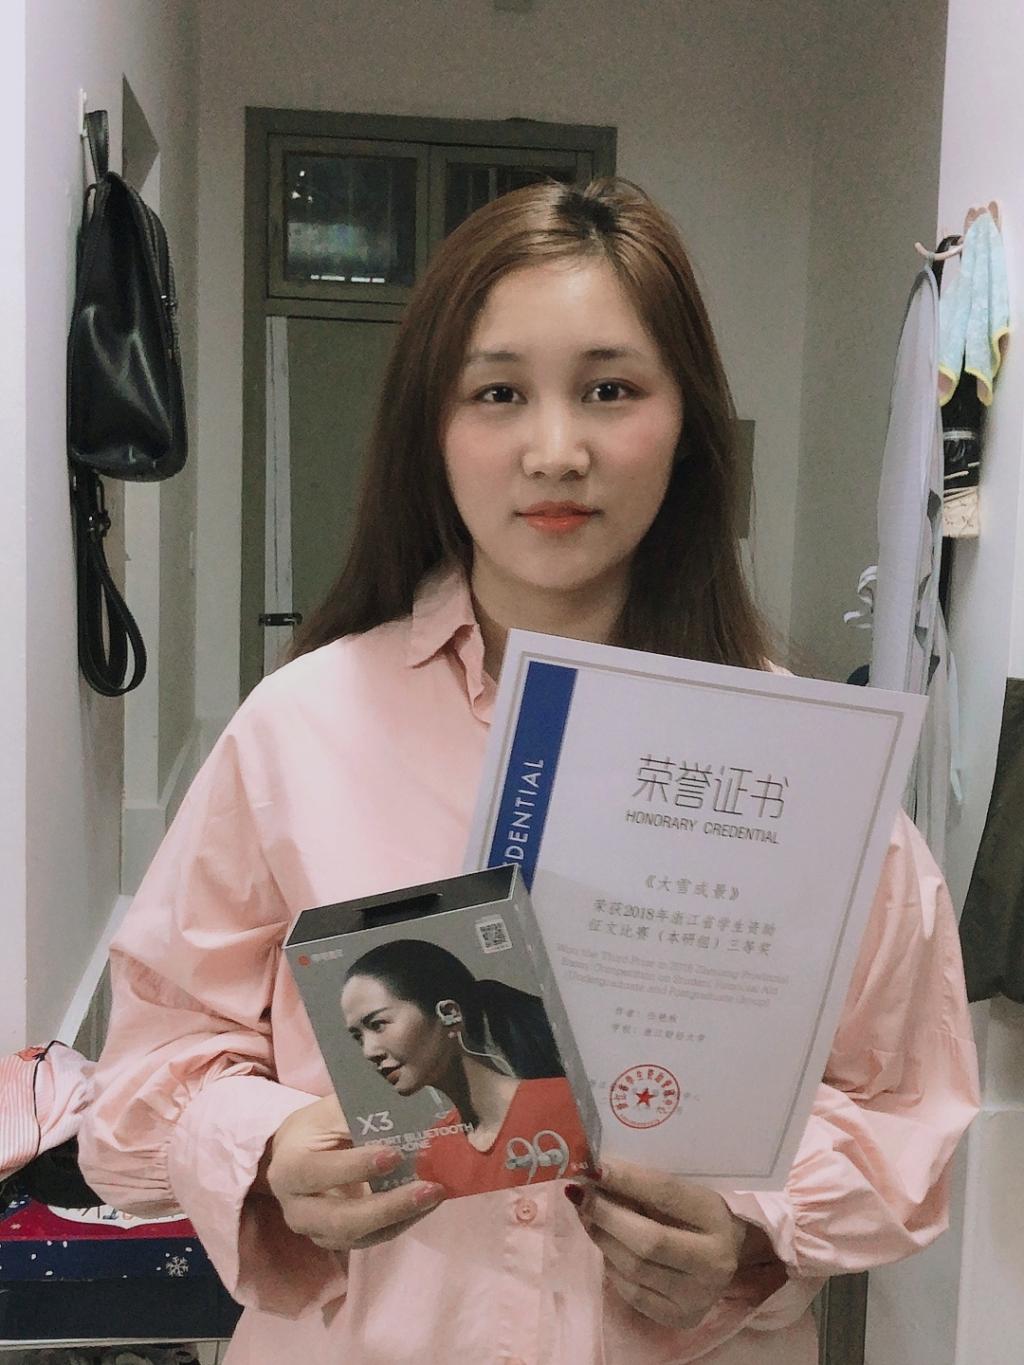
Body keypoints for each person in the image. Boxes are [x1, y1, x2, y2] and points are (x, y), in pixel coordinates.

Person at [78, 178, 979, 1364]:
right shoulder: (299, 728)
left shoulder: (801, 764)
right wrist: (268, 1145)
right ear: (432, 428)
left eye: (610, 390)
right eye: (497, 393)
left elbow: (907, 1107)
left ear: (688, 422)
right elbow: (143, 1082)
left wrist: (754, 1221)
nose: (556, 453)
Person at [340, 939, 594, 1195]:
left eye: (378, 1024)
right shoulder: (435, 1153)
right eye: (358, 1037)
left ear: (449, 1014)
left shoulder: (571, 1104)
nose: (369, 1051)